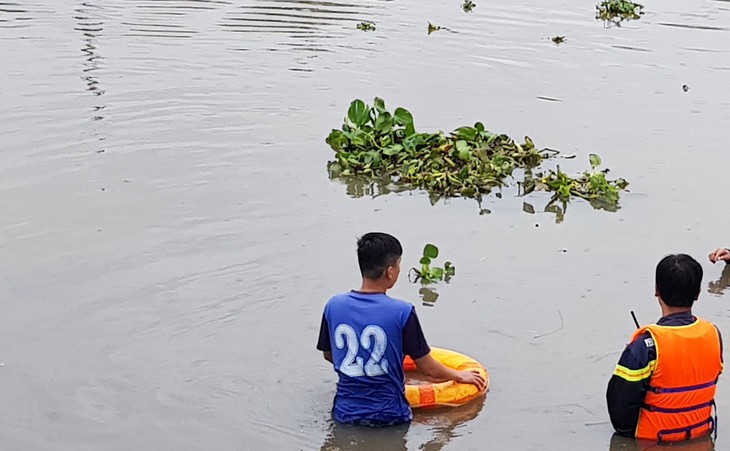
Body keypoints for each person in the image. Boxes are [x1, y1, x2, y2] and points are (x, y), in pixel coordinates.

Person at [316, 232, 486, 426]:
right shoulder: (402, 311)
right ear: (390, 271)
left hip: (344, 414)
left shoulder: (334, 305)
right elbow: (429, 369)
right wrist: (459, 374)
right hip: (389, 416)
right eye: (398, 265)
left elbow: (329, 355)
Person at [606, 254, 723, 442]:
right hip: (701, 434)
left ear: (656, 291)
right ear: (698, 293)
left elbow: (619, 408)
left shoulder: (644, 347)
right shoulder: (714, 334)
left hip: (651, 441)